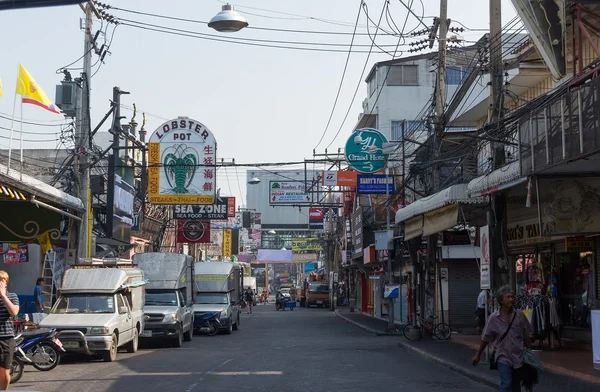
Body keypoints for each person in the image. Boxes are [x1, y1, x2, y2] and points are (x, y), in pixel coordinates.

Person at [472, 286, 532, 392]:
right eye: (508, 297)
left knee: (516, 386)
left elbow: (526, 334)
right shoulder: (494, 318)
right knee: (506, 384)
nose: (511, 299)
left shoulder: (520, 316)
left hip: (518, 357)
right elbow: (486, 338)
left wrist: (529, 353)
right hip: (503, 357)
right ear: (501, 300)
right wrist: (478, 355)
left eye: (512, 297)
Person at [0, 271, 20, 390]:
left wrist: (3, 296)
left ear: (5, 283)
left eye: (1, 281)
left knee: (4, 373)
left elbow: (14, 312)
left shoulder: (12, 296)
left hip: (6, 339)